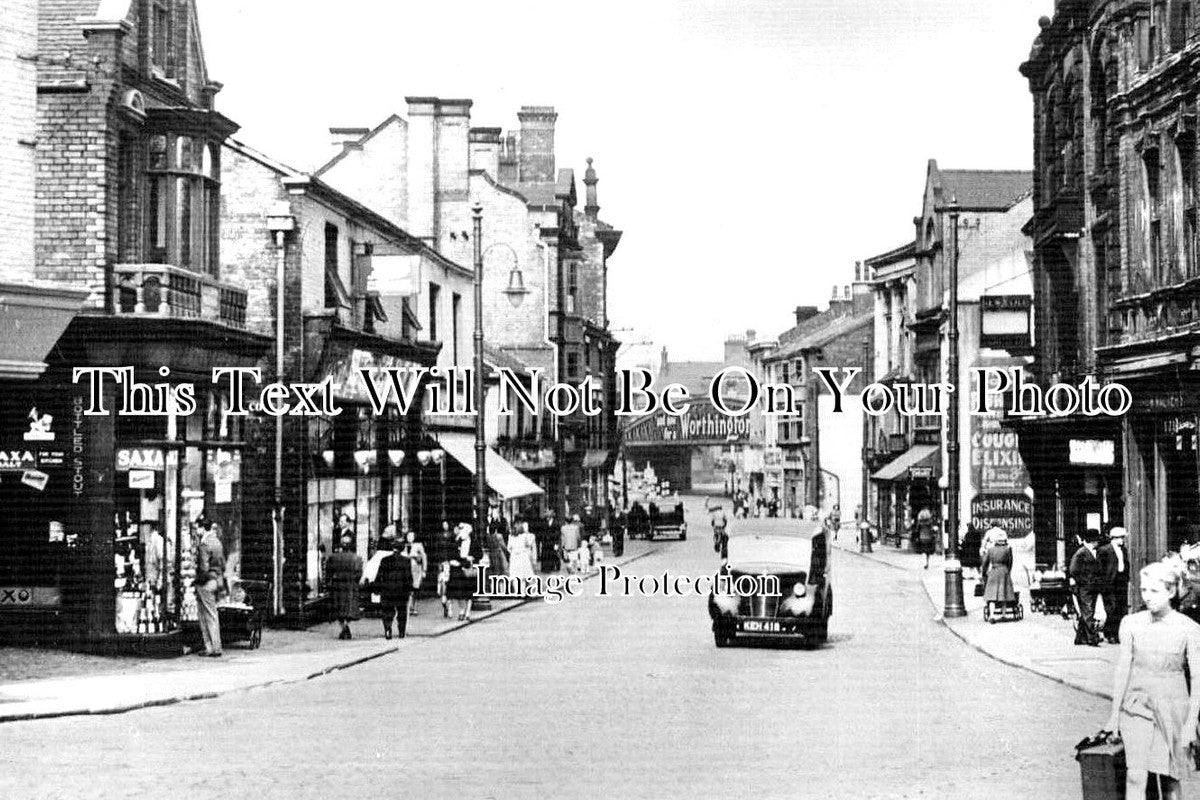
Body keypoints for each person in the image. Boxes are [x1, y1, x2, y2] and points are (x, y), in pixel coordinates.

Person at [1105, 561, 1200, 800]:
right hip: (1137, 707)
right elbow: (1122, 669)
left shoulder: (1188, 628)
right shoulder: (1131, 624)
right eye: (1144, 590)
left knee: (1170, 778)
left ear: (1170, 591)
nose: (1147, 597)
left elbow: (1198, 679)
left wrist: (1190, 725)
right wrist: (1114, 716)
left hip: (1173, 708)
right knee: (1135, 775)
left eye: (1154, 591)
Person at [363, 530, 412, 639]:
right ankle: (401, 632)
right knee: (402, 612)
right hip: (401, 591)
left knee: (387, 611)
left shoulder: (385, 560)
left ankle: (388, 630)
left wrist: (376, 587)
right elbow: (408, 576)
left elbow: (380, 575)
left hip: (387, 590)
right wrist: (409, 589)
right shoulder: (406, 561)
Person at [195, 518, 225, 657]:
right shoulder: (217, 542)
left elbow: (204, 567)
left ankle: (212, 647)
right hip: (216, 580)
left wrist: (196, 580)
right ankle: (213, 647)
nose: (196, 531)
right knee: (212, 613)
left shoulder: (204, 544)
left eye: (197, 528)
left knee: (205, 615)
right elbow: (223, 564)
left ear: (202, 528)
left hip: (206, 582)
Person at [1069, 528, 1104, 647]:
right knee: (1088, 611)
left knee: (1087, 611)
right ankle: (1092, 638)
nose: (1098, 542)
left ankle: (1080, 637)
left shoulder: (1094, 552)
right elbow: (1073, 570)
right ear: (1092, 541)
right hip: (1084, 588)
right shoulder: (1081, 553)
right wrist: (1083, 581)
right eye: (1096, 540)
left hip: (1092, 587)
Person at [327, 533, 363, 640]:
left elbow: (328, 572)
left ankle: (343, 627)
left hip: (338, 585)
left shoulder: (333, 557)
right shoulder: (357, 558)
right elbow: (359, 573)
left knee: (339, 608)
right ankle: (346, 626)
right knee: (349, 609)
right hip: (351, 586)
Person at [1099, 527, 1130, 644]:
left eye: (1123, 538)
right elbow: (1100, 568)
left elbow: (1126, 564)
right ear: (1114, 538)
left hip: (1121, 581)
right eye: (1121, 538)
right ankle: (1109, 633)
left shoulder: (1124, 550)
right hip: (1109, 583)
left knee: (1120, 608)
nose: (1122, 540)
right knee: (1111, 608)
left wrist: (1127, 578)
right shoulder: (1104, 550)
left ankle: (1117, 634)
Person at [446, 526, 477, 621]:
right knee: (460, 593)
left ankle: (467, 612)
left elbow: (479, 554)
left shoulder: (474, 543)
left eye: (463, 531)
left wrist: (471, 557)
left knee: (469, 593)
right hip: (459, 570)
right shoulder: (457, 542)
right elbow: (452, 554)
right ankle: (462, 611)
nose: (461, 533)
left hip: (469, 570)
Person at [981, 528, 1016, 606]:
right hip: (1004, 571)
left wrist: (983, 573)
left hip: (993, 571)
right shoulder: (1007, 549)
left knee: (991, 594)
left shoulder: (990, 549)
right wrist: (1008, 570)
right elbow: (1010, 562)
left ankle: (992, 614)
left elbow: (985, 563)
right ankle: (1003, 614)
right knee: (1004, 593)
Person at [400, 527, 427, 617]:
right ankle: (408, 607)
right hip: (406, 570)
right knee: (408, 589)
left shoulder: (418, 545)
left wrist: (424, 570)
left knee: (415, 589)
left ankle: (413, 607)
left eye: (411, 536)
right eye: (408, 536)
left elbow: (423, 557)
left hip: (416, 570)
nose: (410, 538)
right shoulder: (403, 545)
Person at [433, 521, 455, 618]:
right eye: (444, 524)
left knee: (446, 585)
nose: (445, 526)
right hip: (442, 563)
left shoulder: (452, 536)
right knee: (441, 587)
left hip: (448, 563)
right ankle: (445, 605)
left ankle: (448, 606)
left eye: (447, 524)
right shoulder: (439, 536)